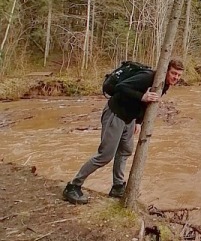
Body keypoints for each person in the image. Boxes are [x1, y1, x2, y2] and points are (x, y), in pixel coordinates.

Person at [63, 58, 184, 204]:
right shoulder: (148, 77)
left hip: (130, 118)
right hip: (116, 113)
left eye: (178, 75)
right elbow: (121, 87)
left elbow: (146, 105)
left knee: (126, 150)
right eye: (173, 73)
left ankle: (117, 187)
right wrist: (142, 96)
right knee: (105, 155)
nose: (175, 78)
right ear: (166, 71)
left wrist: (138, 122)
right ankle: (73, 186)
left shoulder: (163, 85)